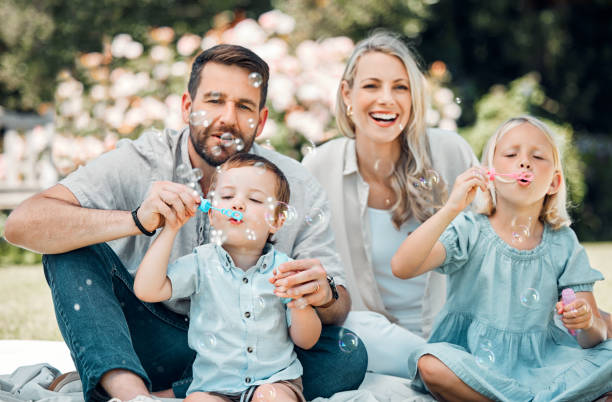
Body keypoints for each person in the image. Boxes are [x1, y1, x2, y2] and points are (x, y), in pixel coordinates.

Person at [4, 44, 366, 401]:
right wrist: (137, 220)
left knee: (347, 356)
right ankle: (132, 396)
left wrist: (322, 293)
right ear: (187, 107)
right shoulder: (141, 161)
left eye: (243, 106)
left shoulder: (295, 185)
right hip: (151, 336)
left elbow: (339, 305)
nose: (227, 117)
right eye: (214, 100)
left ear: (262, 119)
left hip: (253, 350)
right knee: (68, 250)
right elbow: (21, 224)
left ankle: (165, 395)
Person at [392, 116, 612, 401]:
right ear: (490, 173)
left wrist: (586, 323)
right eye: (511, 154)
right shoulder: (469, 229)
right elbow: (402, 267)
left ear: (554, 183)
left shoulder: (562, 242)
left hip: (545, 362)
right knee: (430, 364)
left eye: (537, 156)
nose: (524, 162)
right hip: (477, 363)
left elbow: (592, 338)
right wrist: (451, 208)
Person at [302, 30, 477, 377]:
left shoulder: (449, 152)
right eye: (371, 86)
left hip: (454, 331)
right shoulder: (319, 168)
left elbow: (493, 240)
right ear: (347, 95)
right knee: (358, 328)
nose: (387, 99)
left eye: (400, 87)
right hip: (370, 341)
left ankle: (445, 369)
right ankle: (451, 373)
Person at [134, 153, 319, 402]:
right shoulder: (200, 263)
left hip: (274, 380)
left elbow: (307, 341)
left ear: (276, 220)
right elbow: (148, 290)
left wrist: (300, 304)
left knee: (272, 398)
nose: (238, 205)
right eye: (228, 196)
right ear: (211, 214)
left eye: (254, 199)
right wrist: (171, 229)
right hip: (212, 386)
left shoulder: (285, 270)